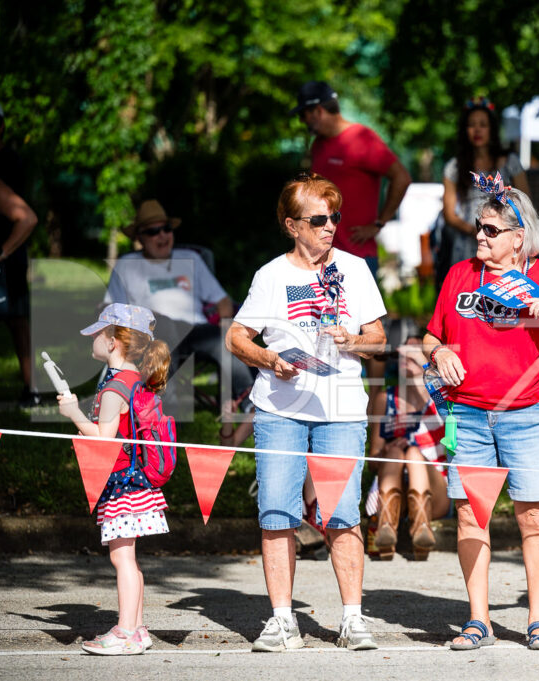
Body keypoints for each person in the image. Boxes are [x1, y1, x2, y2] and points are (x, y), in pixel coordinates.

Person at [424, 177, 539, 651]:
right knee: (469, 518)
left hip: (529, 414)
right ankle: (478, 620)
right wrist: (439, 351)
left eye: (489, 230)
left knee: (535, 519)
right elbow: (430, 335)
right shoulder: (460, 275)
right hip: (468, 415)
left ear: (518, 237)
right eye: (478, 229)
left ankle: (537, 620)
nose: (478, 237)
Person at [226, 172, 387, 651]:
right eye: (319, 219)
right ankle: (281, 620)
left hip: (341, 408)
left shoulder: (355, 270)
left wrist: (352, 340)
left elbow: (379, 339)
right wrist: (269, 359)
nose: (331, 226)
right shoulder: (272, 275)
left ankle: (353, 619)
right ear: (291, 224)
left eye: (335, 217)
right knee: (277, 513)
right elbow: (237, 336)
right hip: (279, 408)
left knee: (343, 513)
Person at [56, 303, 171, 655]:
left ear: (113, 342)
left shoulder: (114, 388)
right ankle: (136, 630)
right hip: (139, 483)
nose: (92, 337)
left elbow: (103, 441)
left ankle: (125, 632)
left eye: (98, 332)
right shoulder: (135, 379)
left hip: (123, 485)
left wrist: (73, 412)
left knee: (122, 559)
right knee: (129, 559)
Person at [107, 199, 254, 445]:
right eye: (153, 231)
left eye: (166, 229)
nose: (162, 236)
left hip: (197, 330)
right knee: (163, 325)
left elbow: (223, 300)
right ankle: (165, 407)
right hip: (152, 331)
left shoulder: (190, 259)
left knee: (226, 340)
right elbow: (112, 308)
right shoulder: (127, 266)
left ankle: (247, 399)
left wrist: (228, 324)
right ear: (140, 238)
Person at [292, 81, 411, 276]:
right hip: (319, 259)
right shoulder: (318, 144)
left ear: (317, 111)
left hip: (357, 258)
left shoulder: (362, 138)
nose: (302, 121)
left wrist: (379, 223)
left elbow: (402, 177)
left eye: (303, 115)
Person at [366, 334, 449, 560]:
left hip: (437, 489)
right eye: (404, 350)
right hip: (396, 489)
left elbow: (457, 444)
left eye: (415, 350)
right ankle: (387, 529)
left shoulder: (441, 398)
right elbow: (373, 461)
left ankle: (420, 526)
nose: (406, 353)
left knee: (413, 452)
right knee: (395, 452)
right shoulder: (386, 399)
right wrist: (389, 450)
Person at [440, 97, 530, 285]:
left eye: (483, 124)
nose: (477, 130)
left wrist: (500, 232)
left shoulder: (510, 162)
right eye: (472, 125)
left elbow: (525, 203)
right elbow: (449, 215)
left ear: (492, 129)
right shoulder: (454, 167)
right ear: (465, 131)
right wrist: (479, 231)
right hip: (466, 245)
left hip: (504, 243)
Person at [0, 97, 39, 404]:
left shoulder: (9, 162)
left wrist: (3, 250)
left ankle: (31, 387)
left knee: (18, 322)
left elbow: (25, 216)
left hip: (6, 256)